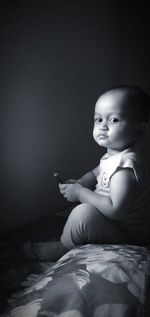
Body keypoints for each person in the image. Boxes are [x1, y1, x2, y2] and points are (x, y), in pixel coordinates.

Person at [23, 85, 150, 261]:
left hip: (128, 237)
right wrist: (81, 183)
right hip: (114, 225)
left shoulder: (124, 168)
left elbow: (116, 210)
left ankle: (63, 247)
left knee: (83, 213)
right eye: (98, 120)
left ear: (138, 131)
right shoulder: (114, 155)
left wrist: (81, 193)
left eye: (113, 120)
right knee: (84, 211)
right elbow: (96, 172)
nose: (103, 127)